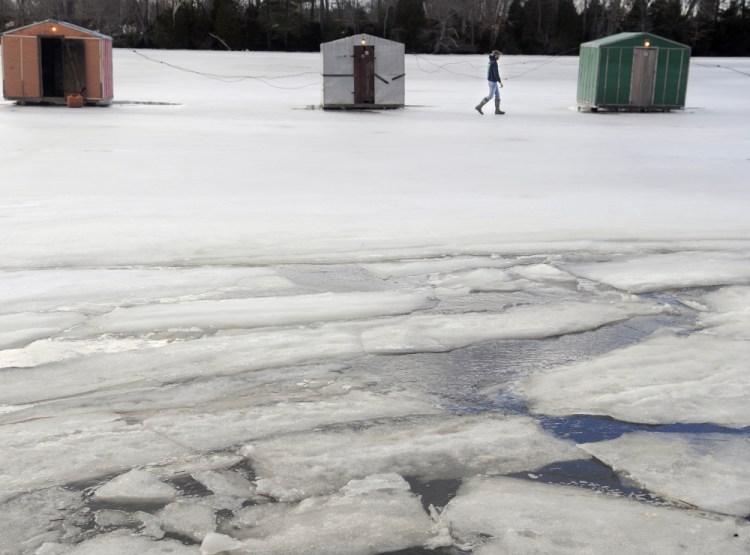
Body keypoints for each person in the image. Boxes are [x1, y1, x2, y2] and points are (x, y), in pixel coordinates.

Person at [475, 50, 505, 115]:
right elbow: (495, 73)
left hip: (491, 81)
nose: (499, 57)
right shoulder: (494, 62)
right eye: (499, 55)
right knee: (490, 96)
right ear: (496, 55)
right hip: (493, 82)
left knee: (497, 95)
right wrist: (500, 82)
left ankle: (497, 110)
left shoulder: (490, 61)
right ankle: (479, 106)